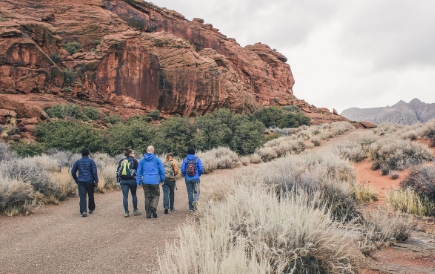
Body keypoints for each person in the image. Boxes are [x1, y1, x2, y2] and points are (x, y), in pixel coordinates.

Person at [136, 146, 165, 218]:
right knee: (156, 195)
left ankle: (148, 214)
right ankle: (153, 207)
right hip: (154, 180)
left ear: (146, 151)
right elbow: (162, 171)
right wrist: (162, 180)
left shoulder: (142, 160)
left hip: (145, 180)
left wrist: (138, 182)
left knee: (147, 197)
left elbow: (139, 172)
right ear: (153, 151)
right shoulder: (157, 159)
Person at [71, 147, 99, 217]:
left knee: (82, 196)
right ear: (88, 153)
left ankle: (83, 211)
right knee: (90, 195)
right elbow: (94, 172)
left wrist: (76, 179)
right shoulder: (91, 161)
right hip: (90, 181)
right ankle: (91, 208)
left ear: (82, 153)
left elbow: (73, 171)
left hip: (81, 181)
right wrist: (96, 181)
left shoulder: (78, 161)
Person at [116, 149, 141, 217]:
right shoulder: (134, 161)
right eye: (133, 153)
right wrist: (139, 181)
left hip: (123, 181)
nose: (134, 154)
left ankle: (126, 212)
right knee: (134, 195)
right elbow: (138, 171)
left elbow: (118, 171)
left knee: (125, 196)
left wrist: (118, 181)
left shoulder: (121, 161)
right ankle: (135, 210)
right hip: (132, 180)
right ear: (130, 154)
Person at [181, 147, 204, 212]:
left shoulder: (185, 160)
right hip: (196, 177)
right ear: (194, 152)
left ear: (188, 152)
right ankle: (195, 201)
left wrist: (185, 175)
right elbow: (201, 168)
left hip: (188, 178)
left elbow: (182, 169)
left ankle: (191, 208)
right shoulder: (197, 159)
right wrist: (198, 175)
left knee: (190, 193)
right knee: (197, 191)